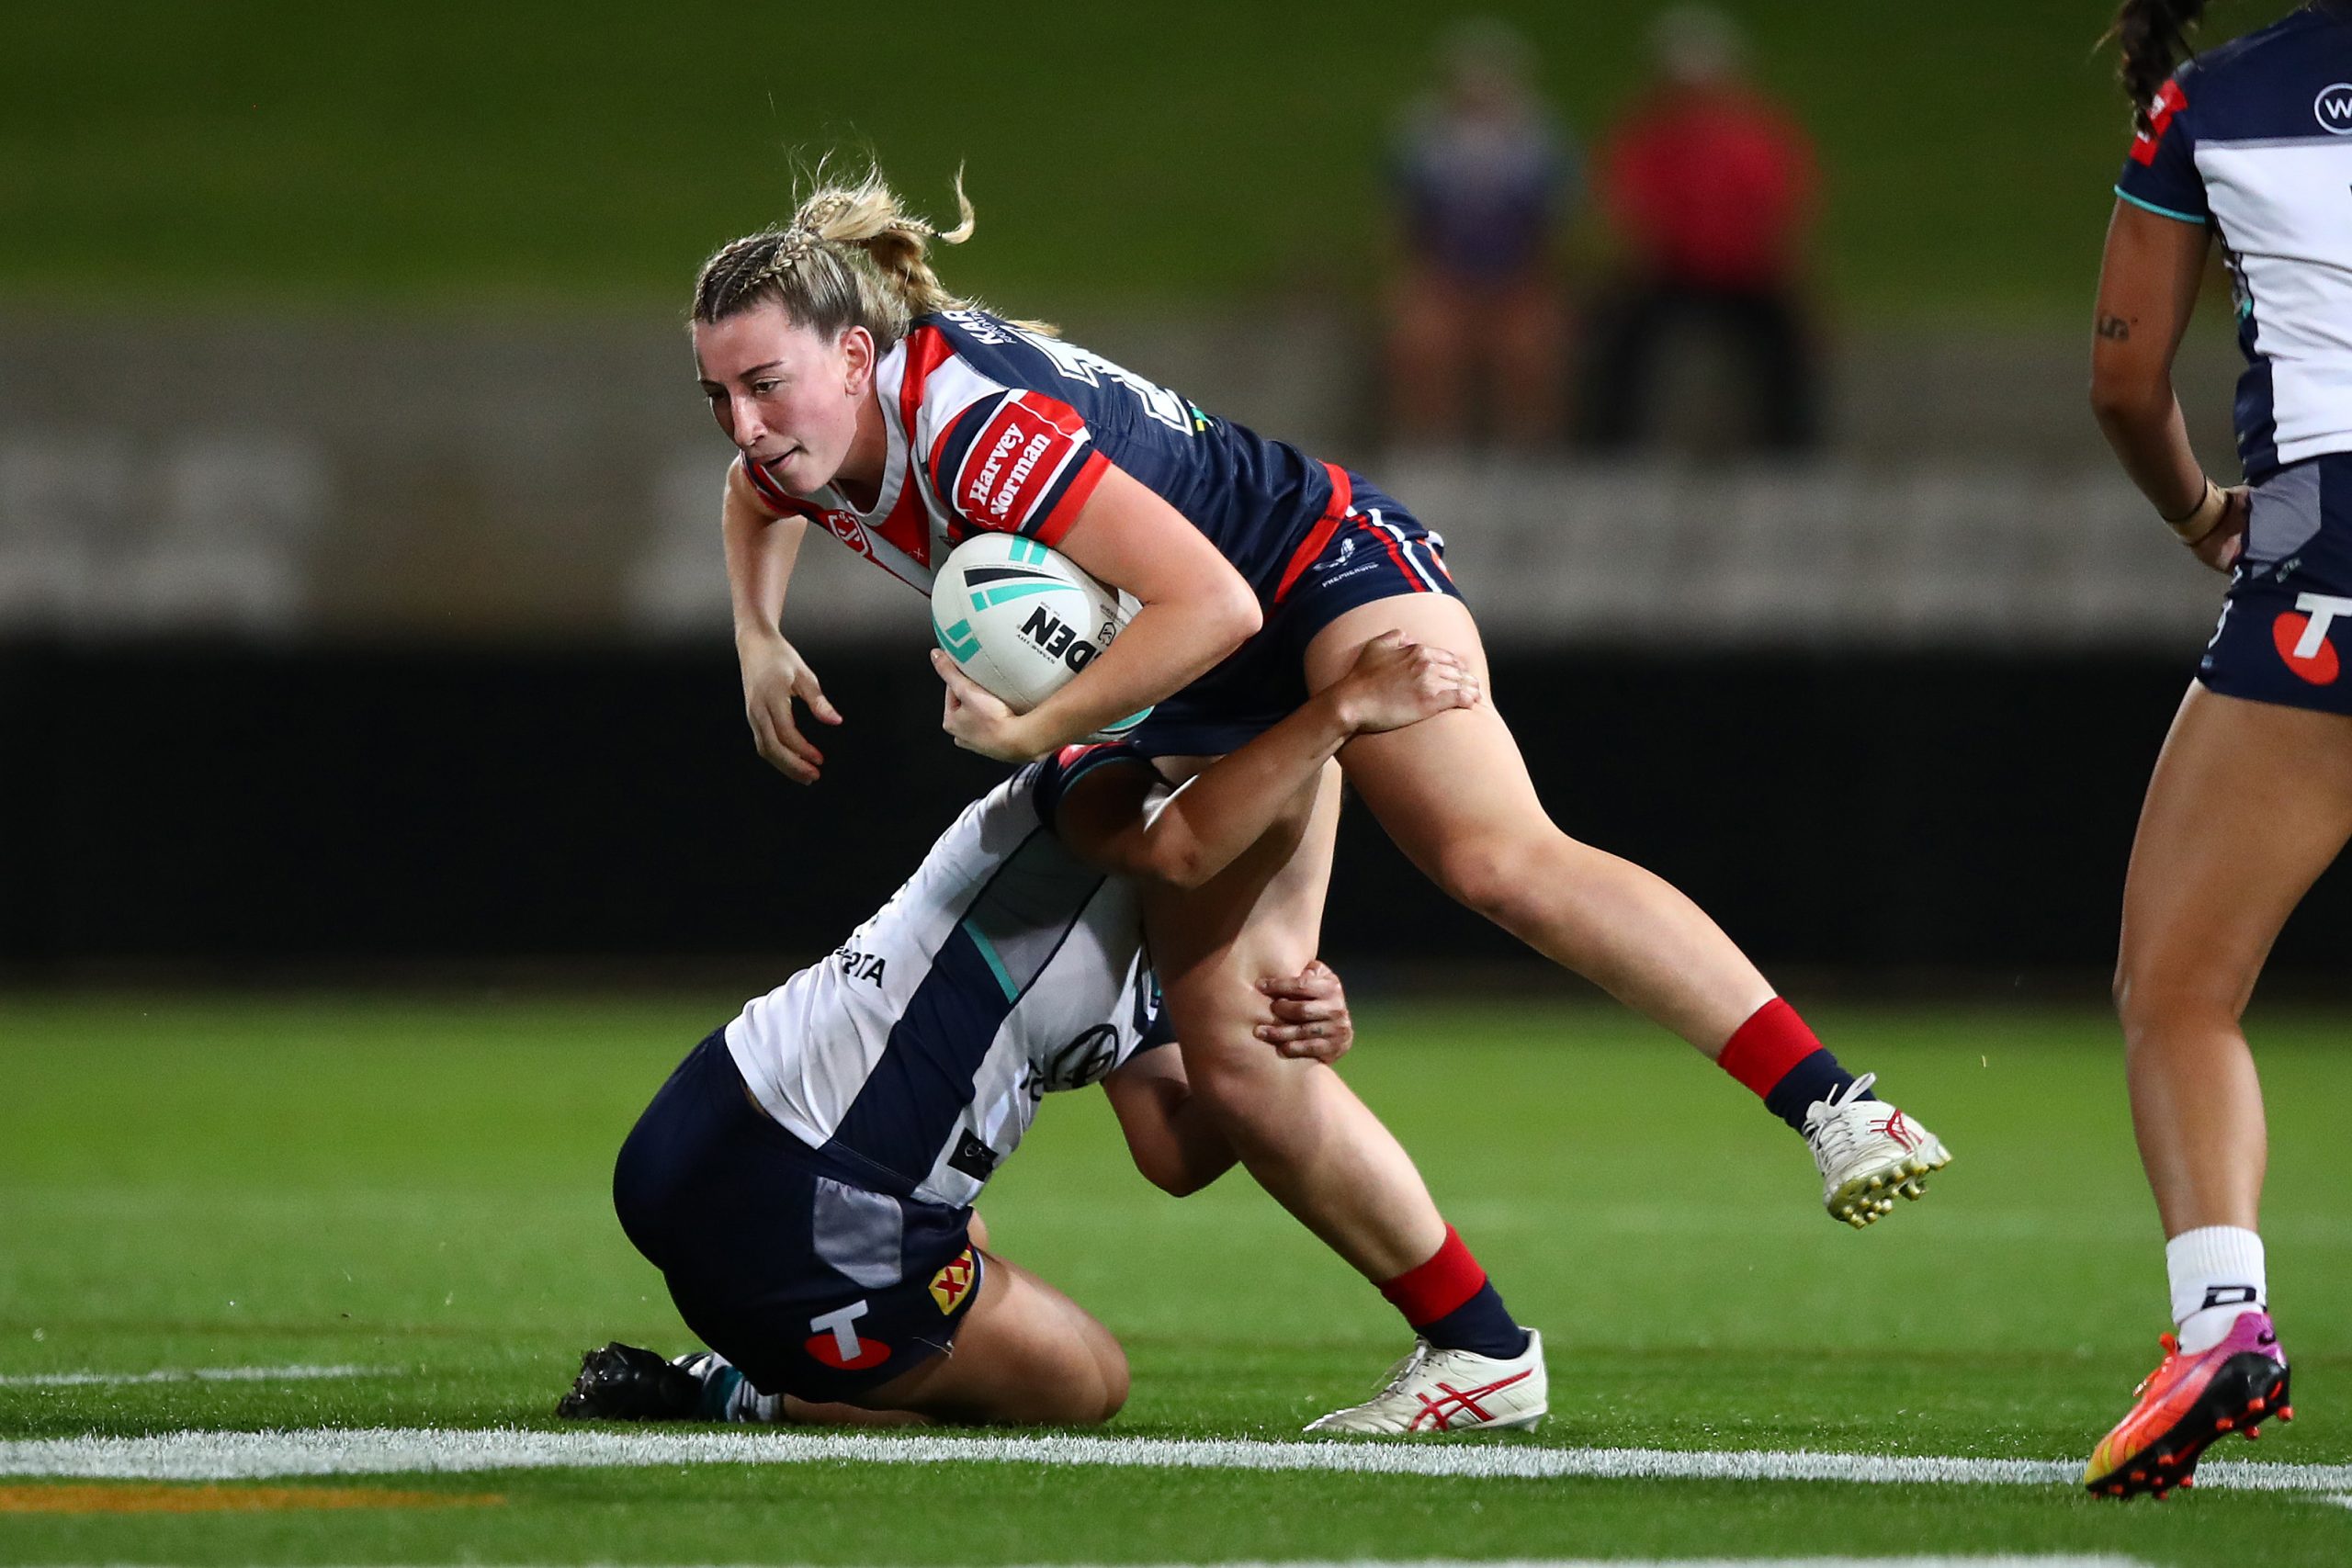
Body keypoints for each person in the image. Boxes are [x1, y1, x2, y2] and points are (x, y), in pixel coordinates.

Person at [691, 169, 1950, 1418]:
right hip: (1193, 681)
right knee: (1245, 1058)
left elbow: (1223, 603)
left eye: (764, 384)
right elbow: (759, 494)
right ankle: (1482, 1351)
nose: (746, 424)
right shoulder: (814, 437)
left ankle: (1837, 1102)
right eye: (720, 394)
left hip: (1307, 575)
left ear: (856, 357)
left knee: (1494, 855)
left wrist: (1032, 723)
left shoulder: (975, 430)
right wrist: (759, 634)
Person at [560, 634, 1552, 1433]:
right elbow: (1186, 833)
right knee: (1086, 1382)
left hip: (714, 1120)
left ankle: (759, 1344)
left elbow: (1173, 1146)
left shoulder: (1164, 929)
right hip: (808, 1196)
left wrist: (1292, 1038)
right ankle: (732, 1387)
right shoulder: (1093, 784)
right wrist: (1334, 709)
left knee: (960, 1239)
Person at [2079, 0, 2346, 1500]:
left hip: (2326, 544)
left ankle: (2222, 1323)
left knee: (2181, 987)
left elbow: (2124, 380)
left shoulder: (2217, 99)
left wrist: (2199, 515)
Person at [1581, 6, 1821, 454]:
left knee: (1786, 340)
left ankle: (1793, 451)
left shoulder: (1756, 137)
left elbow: (1780, 212)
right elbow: (1626, 213)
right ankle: (1609, 448)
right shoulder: (1646, 136)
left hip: (1744, 273)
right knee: (1617, 335)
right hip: (1669, 272)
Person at [1384, 18, 1577, 450]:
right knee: (1424, 340)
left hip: (1517, 279)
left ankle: (1529, 446)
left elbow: (1552, 224)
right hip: (1444, 277)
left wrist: (1537, 284)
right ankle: (1431, 447)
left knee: (1532, 346)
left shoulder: (1538, 141)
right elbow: (1406, 218)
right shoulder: (1423, 140)